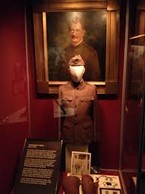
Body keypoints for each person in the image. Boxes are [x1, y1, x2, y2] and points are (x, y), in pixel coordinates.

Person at [59, 55, 100, 171]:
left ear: (84, 70)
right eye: (73, 68)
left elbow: (95, 115)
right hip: (68, 134)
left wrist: (95, 136)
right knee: (68, 169)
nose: (75, 72)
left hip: (84, 134)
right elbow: (60, 117)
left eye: (78, 68)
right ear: (69, 70)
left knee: (83, 170)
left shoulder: (92, 89)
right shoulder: (62, 89)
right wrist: (59, 136)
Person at [57, 16, 101, 81]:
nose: (74, 34)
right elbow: (58, 77)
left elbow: (95, 79)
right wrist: (68, 67)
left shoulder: (91, 53)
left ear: (83, 33)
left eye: (77, 30)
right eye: (72, 30)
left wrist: (83, 67)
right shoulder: (64, 52)